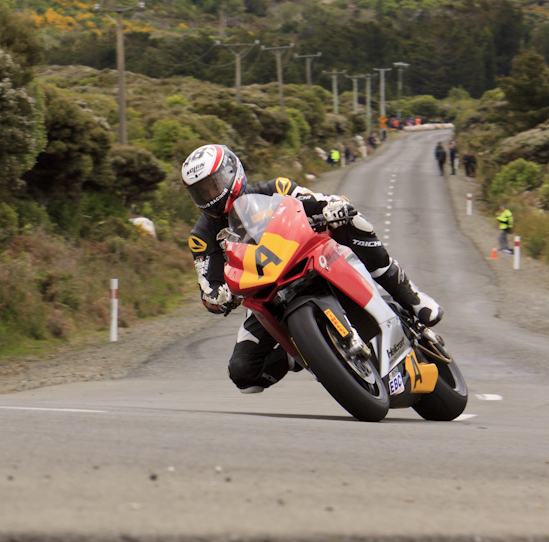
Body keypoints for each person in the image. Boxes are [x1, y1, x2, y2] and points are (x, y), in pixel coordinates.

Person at [181, 144, 444, 394]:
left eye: (213, 185)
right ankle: (303, 352)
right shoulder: (201, 237)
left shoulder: (275, 188)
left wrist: (330, 208)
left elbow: (315, 200)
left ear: (231, 173)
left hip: (310, 259)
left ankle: (411, 297)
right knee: (242, 373)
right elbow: (209, 285)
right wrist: (218, 298)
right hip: (267, 295)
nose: (209, 196)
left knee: (352, 219)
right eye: (201, 192)